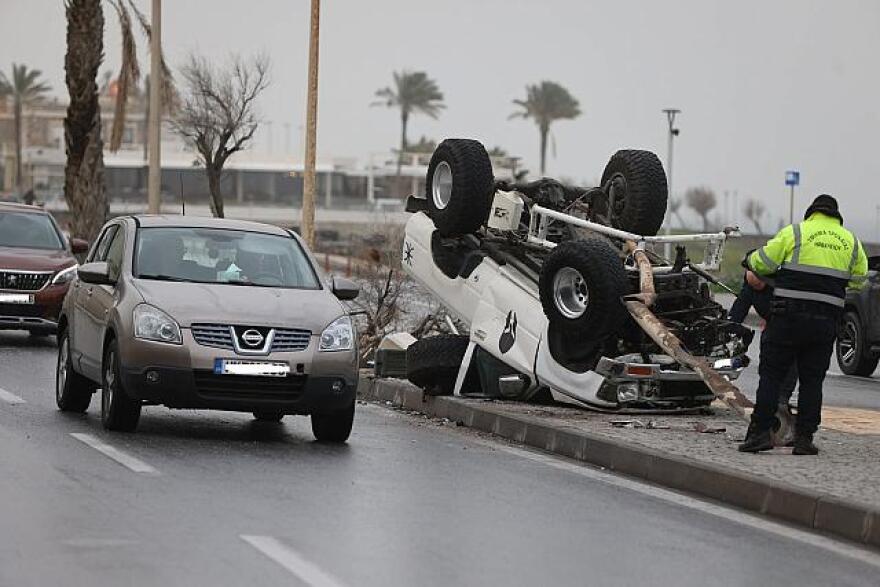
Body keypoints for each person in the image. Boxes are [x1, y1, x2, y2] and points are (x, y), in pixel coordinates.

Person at [738, 194, 868, 455]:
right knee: (812, 381)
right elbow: (860, 278)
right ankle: (804, 439)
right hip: (825, 323)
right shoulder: (851, 241)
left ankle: (761, 433)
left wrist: (751, 261)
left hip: (787, 319)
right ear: (836, 215)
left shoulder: (795, 233)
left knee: (772, 376)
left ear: (811, 213)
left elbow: (762, 262)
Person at [728, 268, 797, 407]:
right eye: (753, 286)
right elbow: (738, 312)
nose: (756, 288)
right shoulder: (749, 288)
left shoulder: (780, 284)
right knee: (767, 361)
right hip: (771, 323)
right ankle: (768, 398)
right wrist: (731, 327)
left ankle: (783, 397)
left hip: (792, 322)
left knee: (790, 361)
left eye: (759, 285)